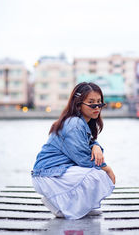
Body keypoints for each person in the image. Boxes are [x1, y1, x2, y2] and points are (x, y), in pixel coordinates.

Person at [31, 82, 116, 219]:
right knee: (96, 175)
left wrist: (96, 146)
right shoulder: (74, 124)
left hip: (57, 171)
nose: (97, 107)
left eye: (100, 103)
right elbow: (83, 159)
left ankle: (75, 207)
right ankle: (57, 204)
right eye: (91, 103)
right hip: (47, 174)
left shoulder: (83, 122)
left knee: (96, 174)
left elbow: (87, 145)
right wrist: (107, 169)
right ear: (78, 104)